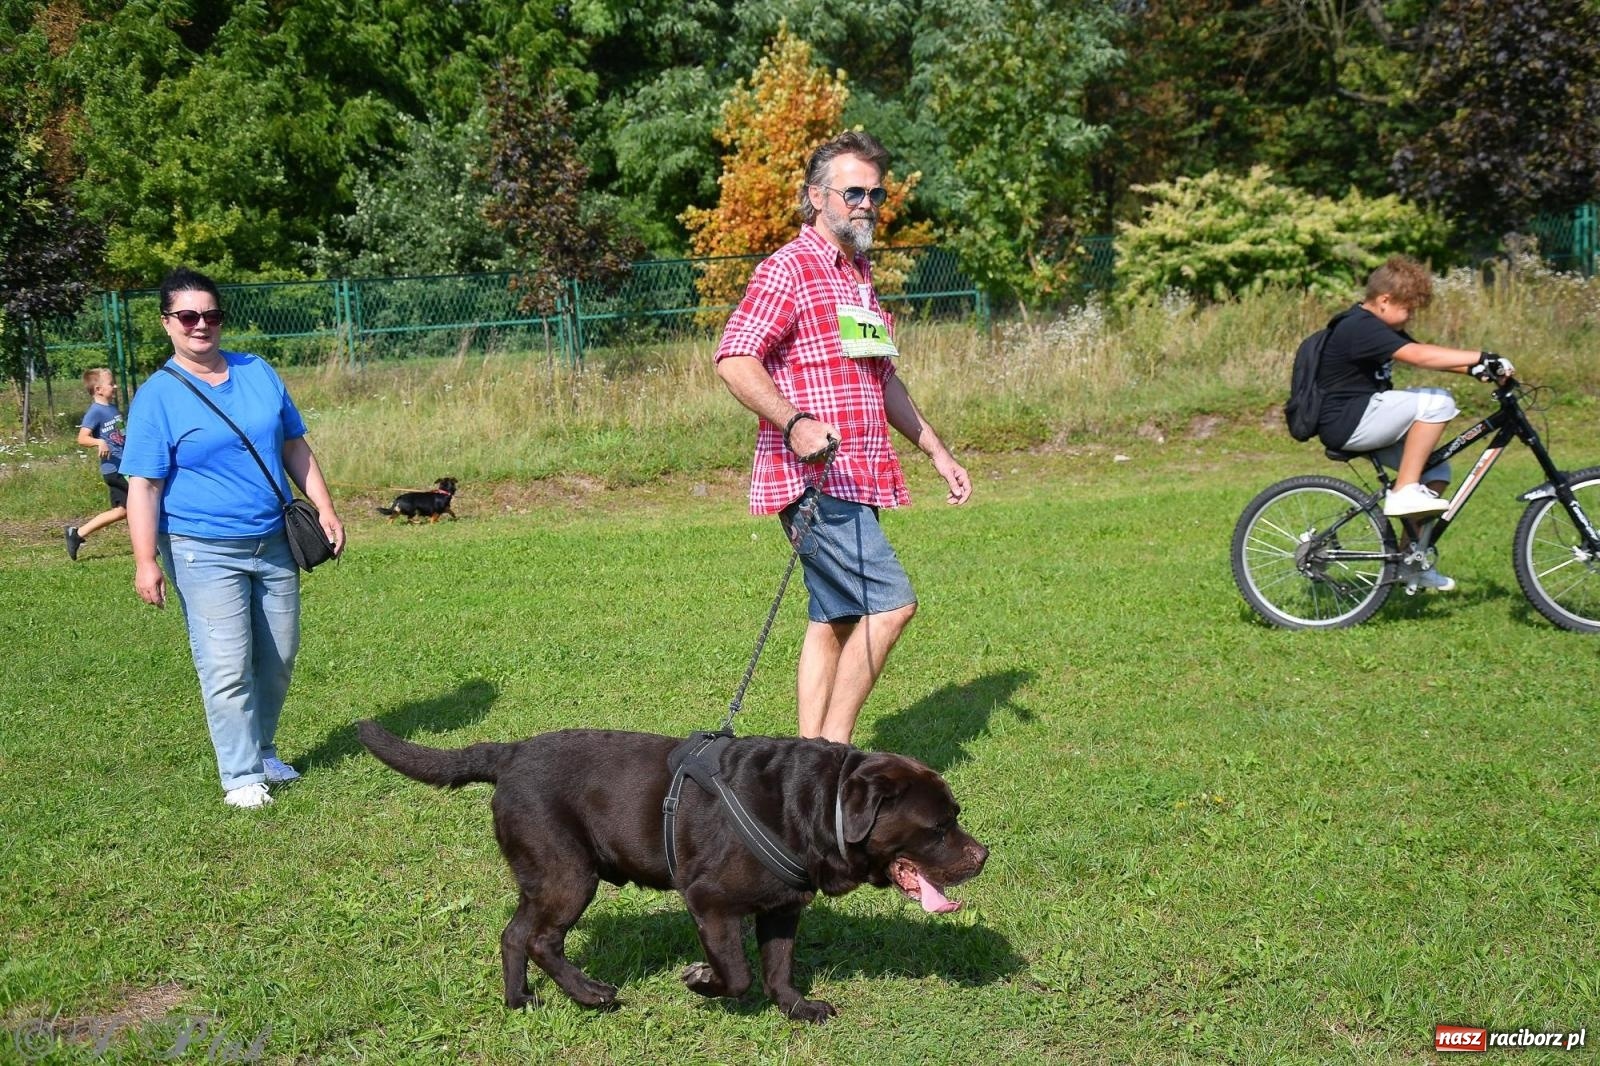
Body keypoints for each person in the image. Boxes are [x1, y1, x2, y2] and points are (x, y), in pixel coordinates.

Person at [714, 130, 971, 745]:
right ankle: (832, 751)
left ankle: (808, 757)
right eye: (853, 192)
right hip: (814, 478)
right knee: (893, 604)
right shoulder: (790, 268)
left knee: (834, 617)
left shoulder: (857, 275)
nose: (867, 205)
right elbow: (734, 357)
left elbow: (881, 377)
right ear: (816, 196)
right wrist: (794, 422)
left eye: (875, 194)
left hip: (860, 476)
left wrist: (936, 451)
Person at [120, 266, 345, 809]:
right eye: (188, 316)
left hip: (274, 540)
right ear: (167, 322)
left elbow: (293, 445)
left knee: (279, 655)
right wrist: (145, 560)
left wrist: (325, 506)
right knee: (226, 663)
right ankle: (241, 775)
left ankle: (262, 751)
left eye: (212, 315)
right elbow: (144, 486)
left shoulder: (257, 371)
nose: (201, 325)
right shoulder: (157, 396)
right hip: (201, 549)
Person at [1316, 254, 1513, 591]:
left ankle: (1410, 562)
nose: (1412, 316)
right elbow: (1419, 356)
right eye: (1408, 309)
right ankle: (1404, 490)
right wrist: (1482, 356)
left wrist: (1474, 369)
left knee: (1437, 471)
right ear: (1384, 300)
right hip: (1348, 421)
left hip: (1365, 417)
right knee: (1438, 401)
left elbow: (1419, 351)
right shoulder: (1359, 326)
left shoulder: (1376, 326)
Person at [64, 368, 128, 560]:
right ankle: (151, 543)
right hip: (114, 469)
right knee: (142, 501)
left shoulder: (112, 409)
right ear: (98, 389)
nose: (115, 386)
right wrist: (99, 442)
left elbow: (122, 435)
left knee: (122, 511)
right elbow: (82, 438)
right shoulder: (96, 412)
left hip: (124, 465)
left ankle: (77, 534)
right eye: (111, 383)